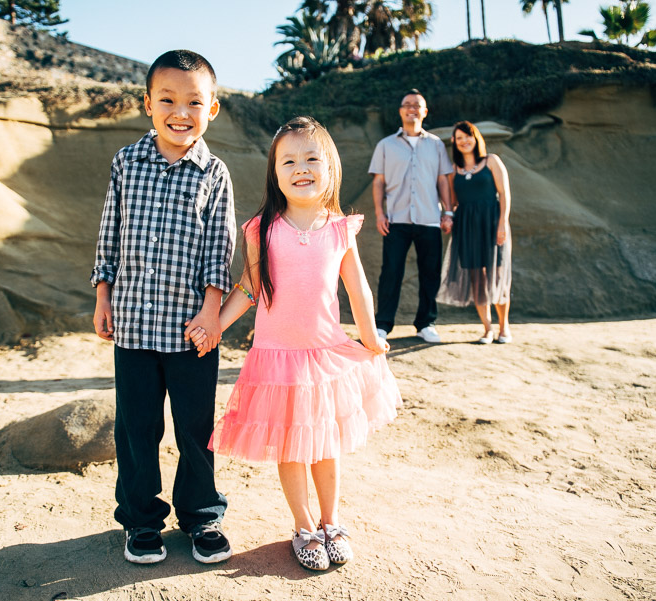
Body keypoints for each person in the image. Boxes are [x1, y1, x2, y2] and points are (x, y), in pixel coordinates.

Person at [191, 116, 401, 571]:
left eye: (311, 158)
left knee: (325, 446)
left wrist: (370, 337)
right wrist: (216, 325)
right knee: (290, 448)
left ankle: (331, 521)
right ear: (275, 172)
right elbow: (249, 287)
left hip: (324, 357)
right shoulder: (261, 229)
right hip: (277, 361)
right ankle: (304, 526)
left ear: (330, 168)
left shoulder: (339, 228)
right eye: (288, 161)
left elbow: (357, 288)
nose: (301, 168)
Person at [90, 49, 235, 566]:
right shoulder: (126, 163)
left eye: (194, 102)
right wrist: (103, 295)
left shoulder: (214, 173)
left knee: (196, 430)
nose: (181, 112)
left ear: (211, 109)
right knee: (136, 430)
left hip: (191, 330)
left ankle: (201, 516)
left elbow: (219, 247)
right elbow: (110, 233)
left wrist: (212, 312)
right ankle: (141, 521)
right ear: (148, 104)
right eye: (168, 100)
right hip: (132, 324)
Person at [369, 88, 454, 343]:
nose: (412, 108)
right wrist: (379, 214)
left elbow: (443, 180)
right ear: (400, 111)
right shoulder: (385, 145)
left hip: (430, 218)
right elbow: (378, 182)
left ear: (424, 111)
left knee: (431, 273)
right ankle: (383, 325)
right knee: (391, 273)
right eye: (407, 104)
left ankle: (426, 323)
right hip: (395, 219)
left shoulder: (436, 145)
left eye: (417, 105)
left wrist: (448, 211)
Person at [437, 121, 513, 344]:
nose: (464, 141)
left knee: (497, 275)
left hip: (492, 223)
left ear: (476, 138)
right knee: (476, 278)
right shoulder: (454, 170)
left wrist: (502, 223)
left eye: (468, 136)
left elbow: (505, 194)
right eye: (459, 138)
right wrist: (447, 217)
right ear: (455, 142)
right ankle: (487, 329)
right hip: (467, 227)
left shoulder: (492, 161)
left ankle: (504, 328)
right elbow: (452, 203)